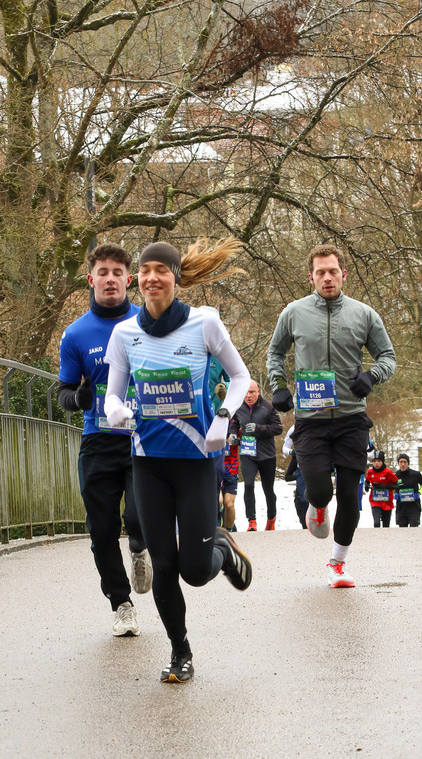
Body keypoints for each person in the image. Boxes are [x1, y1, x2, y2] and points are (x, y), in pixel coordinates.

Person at [104, 238, 252, 683]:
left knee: (194, 570)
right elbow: (113, 392)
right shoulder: (124, 333)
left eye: (160, 270)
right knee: (164, 567)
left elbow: (240, 376)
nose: (152, 278)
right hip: (147, 463)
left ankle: (221, 550)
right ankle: (179, 652)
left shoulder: (204, 324)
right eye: (145, 270)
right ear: (138, 279)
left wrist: (224, 416)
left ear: (175, 277)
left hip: (193, 463)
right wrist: (114, 409)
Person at [267, 244, 396, 587]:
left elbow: (388, 356)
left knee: (351, 495)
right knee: (321, 490)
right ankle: (317, 506)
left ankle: (337, 564)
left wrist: (371, 376)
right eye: (320, 272)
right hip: (310, 418)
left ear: (343, 274)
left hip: (352, 417)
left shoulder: (364, 314)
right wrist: (279, 385)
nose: (327, 278)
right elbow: (275, 353)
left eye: (333, 271)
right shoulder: (293, 313)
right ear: (311, 277)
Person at [58, 242, 152, 638]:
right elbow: (63, 393)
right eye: (103, 271)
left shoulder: (148, 321)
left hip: (143, 436)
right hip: (98, 439)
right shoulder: (76, 334)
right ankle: (121, 604)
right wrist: (78, 396)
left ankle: (140, 546)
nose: (110, 279)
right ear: (90, 279)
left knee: (137, 515)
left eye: (118, 272)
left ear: (129, 279)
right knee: (101, 529)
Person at [233, 380, 282, 530]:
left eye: (252, 392)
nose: (248, 396)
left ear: (258, 392)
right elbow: (234, 423)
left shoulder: (268, 407)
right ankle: (251, 521)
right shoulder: (238, 407)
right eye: (246, 393)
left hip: (266, 455)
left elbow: (278, 428)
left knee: (268, 489)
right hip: (248, 453)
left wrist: (258, 428)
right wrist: (233, 434)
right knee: (248, 485)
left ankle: (271, 518)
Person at [365, 450, 397, 527]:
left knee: (386, 525)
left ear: (382, 461)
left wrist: (383, 486)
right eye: (374, 461)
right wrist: (366, 486)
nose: (376, 463)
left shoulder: (388, 472)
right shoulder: (370, 472)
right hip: (375, 501)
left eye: (379, 461)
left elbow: (396, 486)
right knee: (376, 523)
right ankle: (376, 537)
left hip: (387, 502)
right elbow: (367, 481)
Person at [283, 426, 307, 528]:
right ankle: (305, 525)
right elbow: (285, 447)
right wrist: (292, 452)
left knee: (318, 498)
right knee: (304, 500)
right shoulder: (294, 428)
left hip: (317, 466)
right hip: (300, 468)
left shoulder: (321, 422)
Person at [217, 426, 240, 530]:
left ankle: (230, 531)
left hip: (231, 470)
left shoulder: (234, 425)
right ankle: (217, 525)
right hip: (215, 468)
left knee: (229, 504)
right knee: (219, 501)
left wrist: (238, 440)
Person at [394, 453, 422, 527]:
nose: (403, 464)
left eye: (405, 462)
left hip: (414, 507)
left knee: (414, 528)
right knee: (403, 530)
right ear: (398, 463)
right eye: (401, 462)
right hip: (401, 507)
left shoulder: (416, 474)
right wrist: (394, 493)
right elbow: (391, 487)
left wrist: (419, 492)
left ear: (408, 463)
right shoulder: (395, 476)